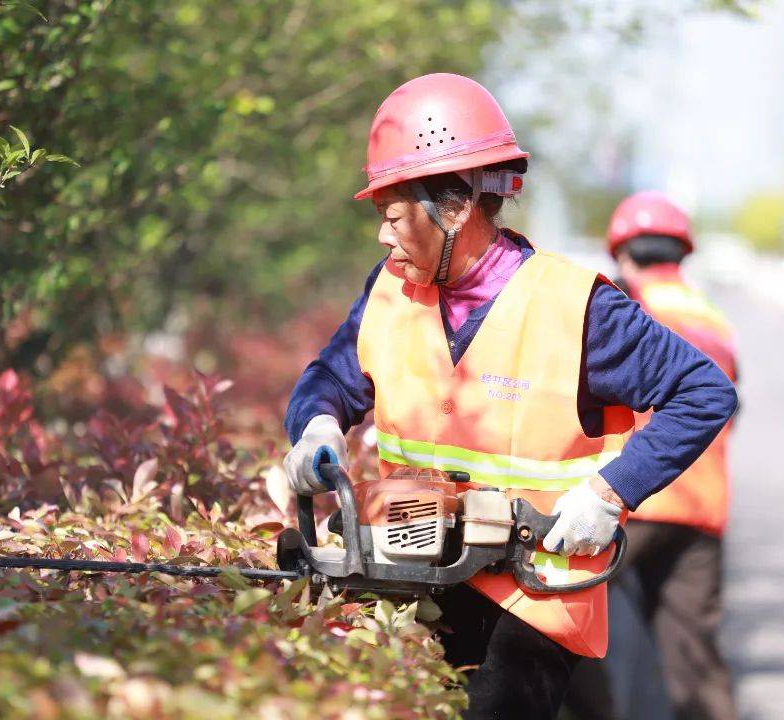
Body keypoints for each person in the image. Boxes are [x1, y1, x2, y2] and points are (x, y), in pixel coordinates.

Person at [281, 74, 738, 720]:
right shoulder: (388, 292)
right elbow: (328, 379)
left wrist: (611, 493)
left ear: (457, 207)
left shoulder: (580, 311)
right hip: (414, 572)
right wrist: (317, 427)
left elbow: (702, 391)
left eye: (393, 217)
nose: (383, 237)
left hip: (534, 598)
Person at [566, 193, 740, 720]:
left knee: (559, 622)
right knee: (693, 655)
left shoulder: (622, 307)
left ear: (622, 252)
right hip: (702, 508)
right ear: (682, 254)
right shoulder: (715, 318)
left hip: (625, 498)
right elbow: (728, 409)